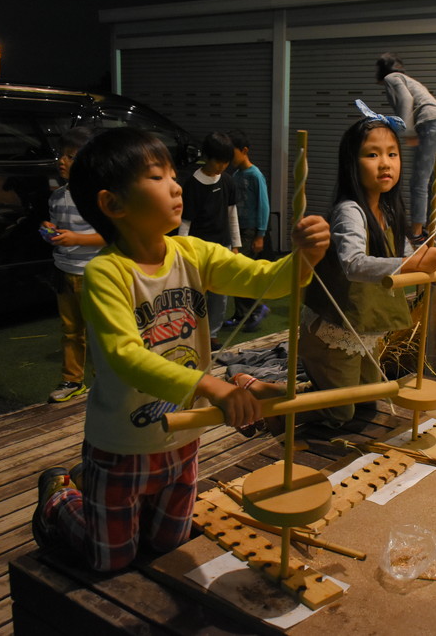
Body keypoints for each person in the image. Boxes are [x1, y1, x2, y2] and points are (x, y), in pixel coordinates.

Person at [30, 127, 329, 572]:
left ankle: (98, 495)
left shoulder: (192, 253)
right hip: (122, 441)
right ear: (113, 204)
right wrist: (213, 386)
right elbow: (127, 357)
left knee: (168, 542)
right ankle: (59, 498)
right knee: (111, 559)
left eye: (173, 174)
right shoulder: (106, 273)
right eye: (157, 177)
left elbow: (263, 280)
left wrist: (306, 257)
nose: (175, 186)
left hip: (184, 434)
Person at [300, 115, 436, 427]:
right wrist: (416, 263)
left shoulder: (387, 210)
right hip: (337, 326)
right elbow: (353, 263)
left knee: (368, 401)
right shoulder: (350, 211)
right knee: (338, 413)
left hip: (365, 324)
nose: (385, 163)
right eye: (372, 154)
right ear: (352, 163)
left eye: (392, 154)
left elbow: (407, 253)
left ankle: (322, 394)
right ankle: (269, 402)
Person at [42, 127, 104, 403]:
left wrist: (76, 238)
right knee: (70, 331)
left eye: (71, 156)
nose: (62, 161)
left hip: (93, 274)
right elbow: (59, 229)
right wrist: (49, 229)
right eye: (61, 154)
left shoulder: (99, 195)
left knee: (101, 333)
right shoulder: (57, 196)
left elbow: (112, 235)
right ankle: (72, 380)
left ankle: (105, 381)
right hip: (64, 271)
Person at [375, 52, 436, 243]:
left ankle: (417, 233)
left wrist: (407, 130)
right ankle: (433, 231)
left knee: (419, 180)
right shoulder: (409, 79)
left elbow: (405, 100)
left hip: (430, 123)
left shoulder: (392, 77)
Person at [178, 131, 241, 351]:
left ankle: (212, 334)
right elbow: (185, 221)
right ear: (206, 157)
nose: (222, 166)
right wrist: (181, 251)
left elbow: (232, 214)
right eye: (218, 161)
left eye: (226, 162)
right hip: (197, 250)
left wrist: (236, 245)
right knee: (195, 294)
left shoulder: (228, 181)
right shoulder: (192, 184)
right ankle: (191, 333)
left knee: (220, 296)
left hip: (222, 247)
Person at [226, 128, 271, 332]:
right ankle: (242, 314)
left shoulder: (255, 175)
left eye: (232, 153)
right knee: (238, 271)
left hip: (250, 231)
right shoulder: (236, 174)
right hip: (238, 230)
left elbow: (264, 205)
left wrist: (260, 234)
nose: (229, 158)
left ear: (244, 150)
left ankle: (257, 308)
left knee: (240, 271)